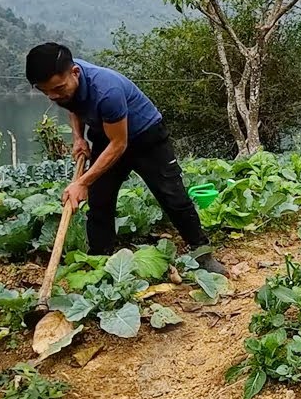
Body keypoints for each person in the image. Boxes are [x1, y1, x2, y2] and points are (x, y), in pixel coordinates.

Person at [24, 42, 227, 275]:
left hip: (146, 136)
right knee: (100, 200)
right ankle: (100, 260)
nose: (53, 96)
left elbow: (120, 144)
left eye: (58, 89)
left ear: (75, 72)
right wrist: (78, 138)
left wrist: (82, 182)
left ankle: (202, 253)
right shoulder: (65, 82)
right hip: (107, 134)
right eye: (45, 91)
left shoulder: (106, 91)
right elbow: (72, 104)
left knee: (173, 195)